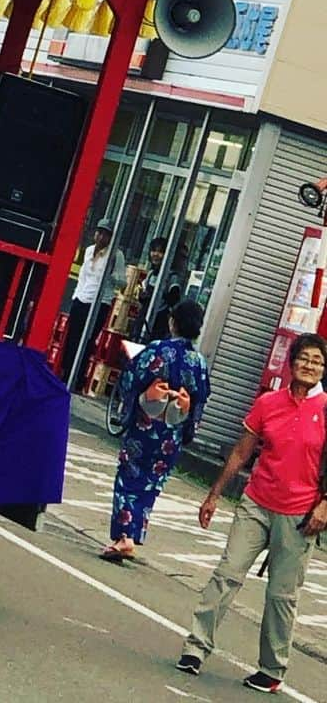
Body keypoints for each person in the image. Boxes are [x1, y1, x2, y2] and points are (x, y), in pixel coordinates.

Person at [176, 334, 327, 693]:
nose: (310, 366)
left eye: (317, 361)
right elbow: (242, 454)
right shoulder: (268, 403)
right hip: (256, 503)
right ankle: (195, 649)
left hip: (299, 514)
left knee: (281, 595)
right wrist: (213, 494)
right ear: (291, 363)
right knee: (227, 573)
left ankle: (272, 669)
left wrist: (324, 504)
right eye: (304, 359)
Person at [101, 299, 210, 563]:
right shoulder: (199, 363)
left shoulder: (156, 350)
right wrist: (187, 422)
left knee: (128, 479)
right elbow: (201, 398)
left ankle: (124, 536)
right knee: (151, 484)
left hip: (145, 425)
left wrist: (131, 403)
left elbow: (131, 378)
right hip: (171, 433)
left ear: (173, 322)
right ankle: (135, 532)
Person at [61, 219, 127, 383]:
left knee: (88, 339)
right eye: (99, 232)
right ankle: (65, 371)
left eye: (106, 234)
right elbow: (83, 276)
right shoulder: (89, 250)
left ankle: (78, 376)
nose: (101, 237)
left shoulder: (116, 255)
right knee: (72, 337)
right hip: (82, 298)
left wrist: (111, 274)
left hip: (99, 302)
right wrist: (76, 296)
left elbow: (122, 282)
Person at [132, 237, 183, 343]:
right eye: (153, 250)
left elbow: (174, 299)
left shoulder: (172, 276)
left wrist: (161, 295)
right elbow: (143, 295)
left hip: (159, 321)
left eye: (160, 252)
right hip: (143, 317)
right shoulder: (151, 274)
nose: (155, 254)